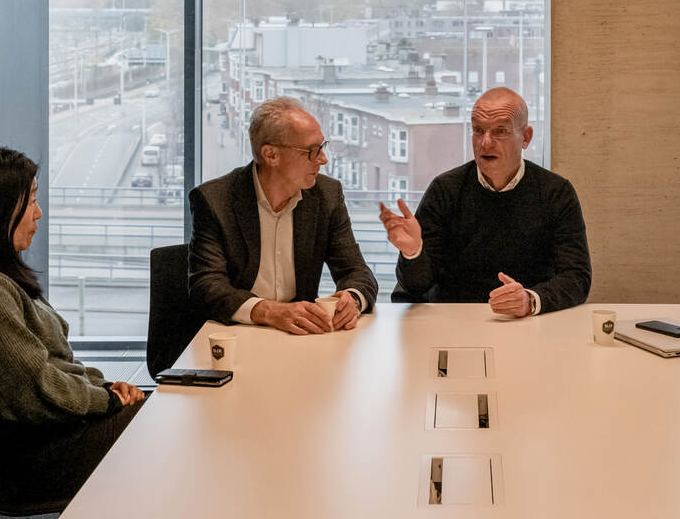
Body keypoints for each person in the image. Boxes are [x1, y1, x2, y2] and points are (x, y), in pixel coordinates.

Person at [0, 144, 146, 507]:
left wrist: (104, 387)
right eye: (29, 202)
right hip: (33, 461)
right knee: (161, 430)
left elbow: (52, 367)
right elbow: (34, 390)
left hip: (56, 437)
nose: (38, 214)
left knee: (156, 418)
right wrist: (106, 400)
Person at [378, 87, 591, 316]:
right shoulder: (446, 189)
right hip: (454, 320)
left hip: (526, 321)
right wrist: (413, 252)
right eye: (478, 131)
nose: (485, 142)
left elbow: (576, 276)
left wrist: (531, 300)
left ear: (526, 137)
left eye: (500, 131)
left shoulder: (555, 192)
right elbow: (415, 286)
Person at [189, 97, 378, 334]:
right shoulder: (215, 200)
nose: (323, 159)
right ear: (271, 155)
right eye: (312, 150)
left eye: (323, 146)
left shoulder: (327, 195)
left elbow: (357, 272)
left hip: (299, 335)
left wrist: (352, 299)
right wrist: (269, 311)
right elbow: (207, 287)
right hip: (237, 334)